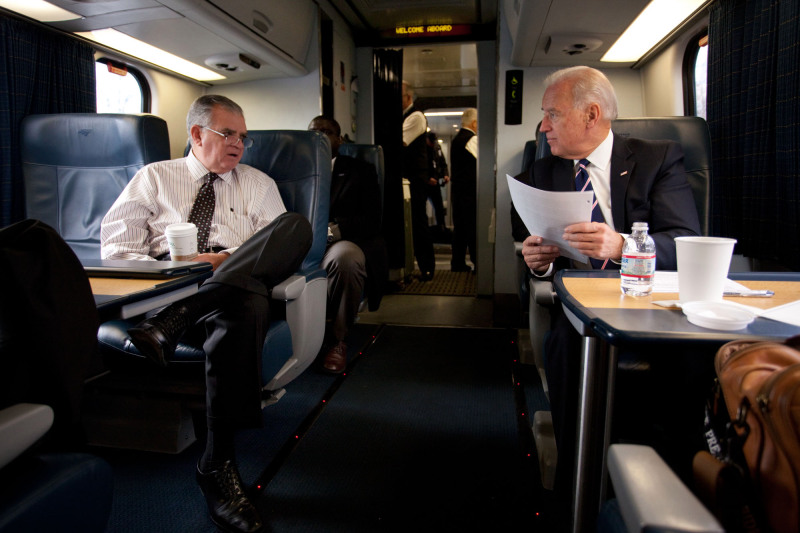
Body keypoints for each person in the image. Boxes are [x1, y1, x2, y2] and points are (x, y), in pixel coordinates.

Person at [101, 94, 313, 533]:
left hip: (230, 291)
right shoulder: (154, 178)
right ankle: (217, 464)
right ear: (197, 134)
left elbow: (280, 251)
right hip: (167, 291)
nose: (239, 144)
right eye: (228, 133)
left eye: (244, 137)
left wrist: (225, 262)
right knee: (245, 299)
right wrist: (181, 267)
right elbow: (116, 251)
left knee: (293, 229)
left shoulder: (258, 183)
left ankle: (216, 460)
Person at [510, 66, 701, 525]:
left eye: (552, 114)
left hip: (654, 304)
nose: (543, 127)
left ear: (591, 114)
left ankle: (678, 489)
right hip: (581, 311)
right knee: (566, 347)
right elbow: (535, 244)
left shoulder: (657, 159)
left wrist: (622, 245)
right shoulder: (542, 169)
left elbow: (684, 241)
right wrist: (538, 259)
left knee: (688, 366)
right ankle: (583, 487)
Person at [307, 116, 387, 374]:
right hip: (299, 241)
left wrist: (336, 228)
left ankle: (337, 340)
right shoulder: (293, 167)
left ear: (339, 141)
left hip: (339, 241)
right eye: (314, 131)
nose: (319, 136)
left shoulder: (359, 170)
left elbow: (372, 220)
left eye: (326, 132)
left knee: (347, 259)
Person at [402, 81, 436, 281]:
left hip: (415, 178)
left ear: (408, 97)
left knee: (418, 222)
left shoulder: (415, 116)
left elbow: (401, 142)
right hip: (409, 177)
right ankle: (409, 267)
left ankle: (427, 267)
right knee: (410, 223)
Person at [449, 107, 478, 272]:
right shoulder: (471, 139)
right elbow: (483, 164)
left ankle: (457, 263)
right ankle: (477, 261)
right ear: (474, 123)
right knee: (472, 227)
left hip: (458, 191)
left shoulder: (456, 139)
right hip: (470, 192)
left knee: (459, 229)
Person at [425, 131, 449, 241]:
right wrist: (427, 178)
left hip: (435, 184)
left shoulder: (437, 148)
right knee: (420, 209)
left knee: (439, 207)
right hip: (424, 184)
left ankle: (441, 229)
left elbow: (443, 163)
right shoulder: (422, 149)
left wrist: (445, 174)